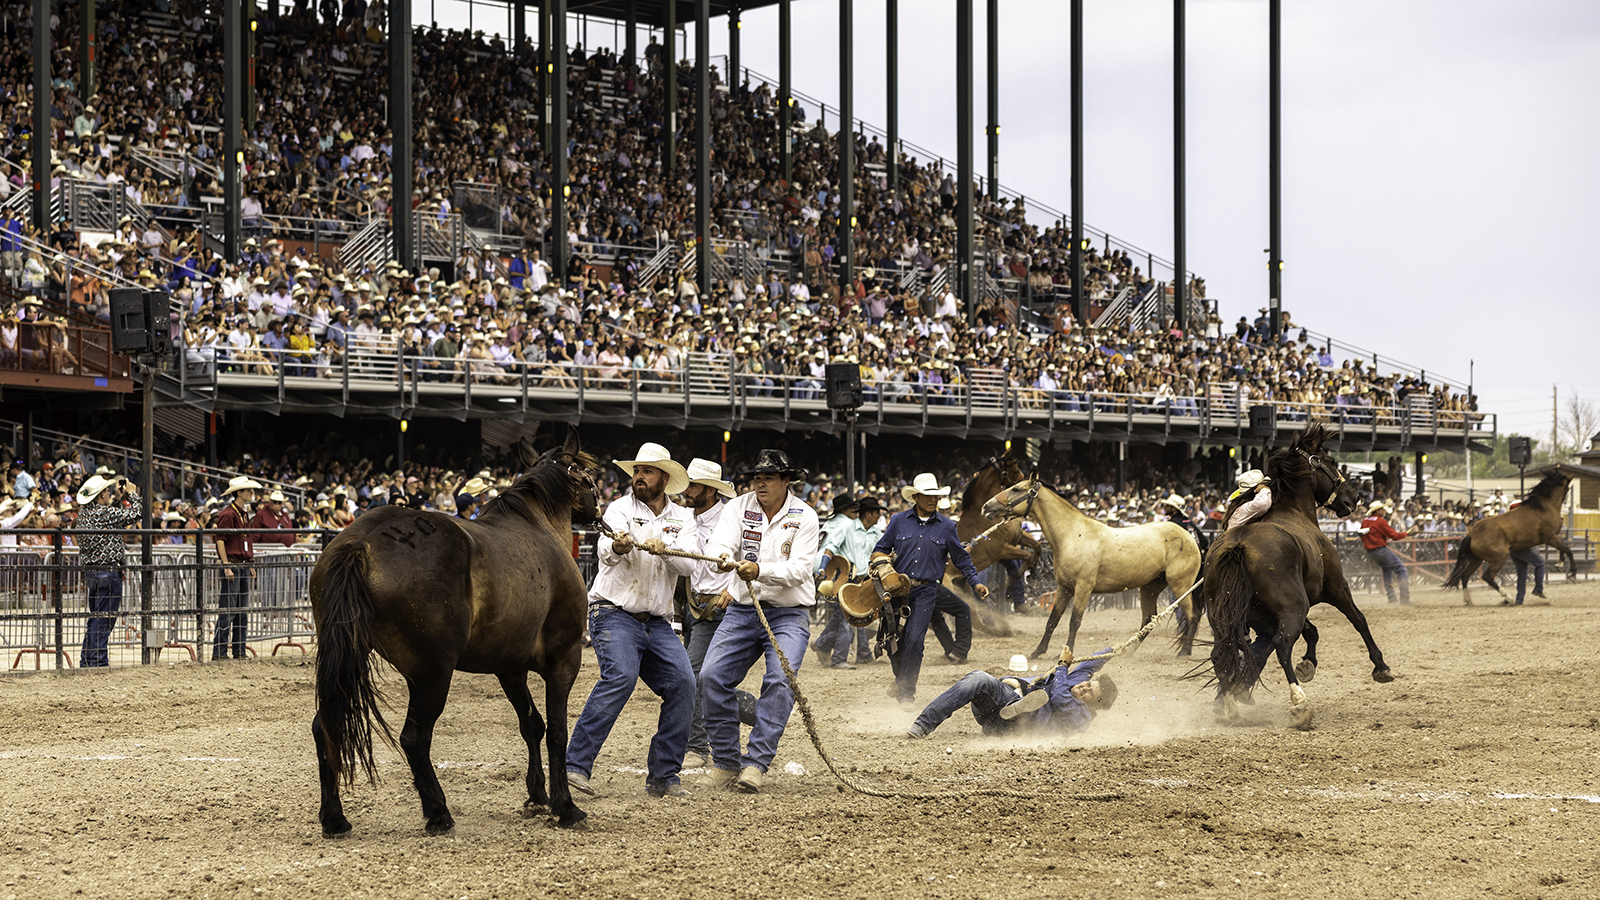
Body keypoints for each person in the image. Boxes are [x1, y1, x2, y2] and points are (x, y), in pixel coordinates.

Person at [566, 442, 699, 799]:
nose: (639, 477)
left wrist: (666, 550)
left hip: (655, 621)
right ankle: (574, 767)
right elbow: (606, 551)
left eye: (647, 471)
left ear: (664, 478)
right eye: (637, 471)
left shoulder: (683, 519)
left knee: (684, 685)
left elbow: (688, 565)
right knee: (620, 677)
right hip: (613, 612)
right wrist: (623, 546)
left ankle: (664, 776)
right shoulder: (619, 508)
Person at [698, 448, 821, 794]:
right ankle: (725, 761)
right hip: (742, 609)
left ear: (786, 481)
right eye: (756, 477)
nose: (760, 484)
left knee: (780, 680)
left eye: (768, 477)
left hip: (788, 613)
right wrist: (722, 558)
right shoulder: (738, 507)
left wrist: (760, 570)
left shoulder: (805, 516)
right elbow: (720, 544)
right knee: (710, 678)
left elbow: (800, 569)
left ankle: (756, 763)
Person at [871, 473, 989, 706]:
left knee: (915, 640)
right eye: (927, 496)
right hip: (897, 588)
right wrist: (880, 564)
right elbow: (880, 549)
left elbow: (961, 559)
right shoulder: (897, 521)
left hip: (926, 591)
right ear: (915, 497)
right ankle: (901, 680)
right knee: (892, 640)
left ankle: (906, 693)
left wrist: (975, 582)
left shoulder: (947, 527)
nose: (933, 500)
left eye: (935, 496)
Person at [907, 646, 1118, 739]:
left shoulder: (1081, 717)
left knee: (1039, 704)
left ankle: (1018, 702)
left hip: (1014, 728)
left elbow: (1061, 699)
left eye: (1090, 692)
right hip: (994, 711)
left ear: (1096, 705)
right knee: (978, 678)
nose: (1083, 687)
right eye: (1088, 684)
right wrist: (1112, 650)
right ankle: (922, 725)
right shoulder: (1077, 681)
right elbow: (1090, 665)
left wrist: (1063, 664)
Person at [678, 457, 738, 770]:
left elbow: (749, 554)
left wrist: (734, 588)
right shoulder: (687, 517)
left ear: (710, 491)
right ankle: (759, 710)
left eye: (693, 485)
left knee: (699, 675)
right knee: (702, 676)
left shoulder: (732, 516)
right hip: (697, 606)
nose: (686, 490)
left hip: (725, 606)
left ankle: (698, 747)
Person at [74, 474, 141, 667]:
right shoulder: (104, 514)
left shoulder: (85, 514)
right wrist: (133, 494)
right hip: (108, 571)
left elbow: (114, 517)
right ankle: (97, 661)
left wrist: (122, 499)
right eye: (106, 491)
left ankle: (88, 659)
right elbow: (136, 514)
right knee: (104, 619)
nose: (108, 493)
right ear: (100, 495)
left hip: (93, 572)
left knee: (96, 617)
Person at [811, 494, 873, 669]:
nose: (856, 511)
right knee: (848, 617)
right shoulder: (847, 524)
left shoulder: (831, 523)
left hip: (826, 571)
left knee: (840, 615)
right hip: (839, 572)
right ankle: (838, 658)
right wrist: (824, 566)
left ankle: (822, 645)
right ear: (845, 510)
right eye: (853, 508)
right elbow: (832, 548)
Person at [213, 476, 262, 660]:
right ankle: (221, 652)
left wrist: (249, 562)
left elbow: (243, 540)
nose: (251, 493)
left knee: (240, 610)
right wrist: (226, 565)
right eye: (248, 490)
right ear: (239, 493)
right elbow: (220, 540)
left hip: (240, 564)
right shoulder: (229, 514)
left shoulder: (241, 513)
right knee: (229, 610)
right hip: (233, 564)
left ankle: (238, 651)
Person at [1360, 500, 1410, 604]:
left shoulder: (1365, 521)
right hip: (1380, 550)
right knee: (1401, 570)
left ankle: (1391, 598)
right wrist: (1406, 534)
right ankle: (1404, 598)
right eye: (1382, 509)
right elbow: (1394, 535)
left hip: (1371, 552)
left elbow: (1362, 536)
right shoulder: (1380, 521)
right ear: (1377, 511)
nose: (1384, 511)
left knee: (1387, 571)